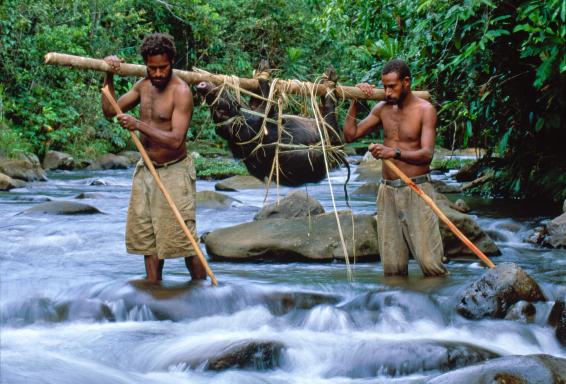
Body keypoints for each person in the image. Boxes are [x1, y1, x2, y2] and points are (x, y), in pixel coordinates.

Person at [101, 33, 206, 282]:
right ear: (145, 65)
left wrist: (138, 124)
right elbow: (109, 110)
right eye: (152, 68)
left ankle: (204, 293)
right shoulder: (142, 86)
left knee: (183, 238)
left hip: (174, 171)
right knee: (148, 238)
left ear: (172, 62)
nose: (157, 74)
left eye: (163, 68)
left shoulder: (180, 92)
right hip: (147, 169)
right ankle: (153, 289)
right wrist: (109, 74)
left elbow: (175, 139)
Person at [344, 59, 447, 277]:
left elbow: (427, 155)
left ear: (406, 82)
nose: (388, 91)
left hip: (416, 190)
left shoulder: (425, 110)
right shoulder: (382, 109)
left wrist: (394, 152)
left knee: (431, 265)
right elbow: (350, 135)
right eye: (385, 87)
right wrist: (355, 101)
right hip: (387, 191)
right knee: (392, 267)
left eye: (393, 86)